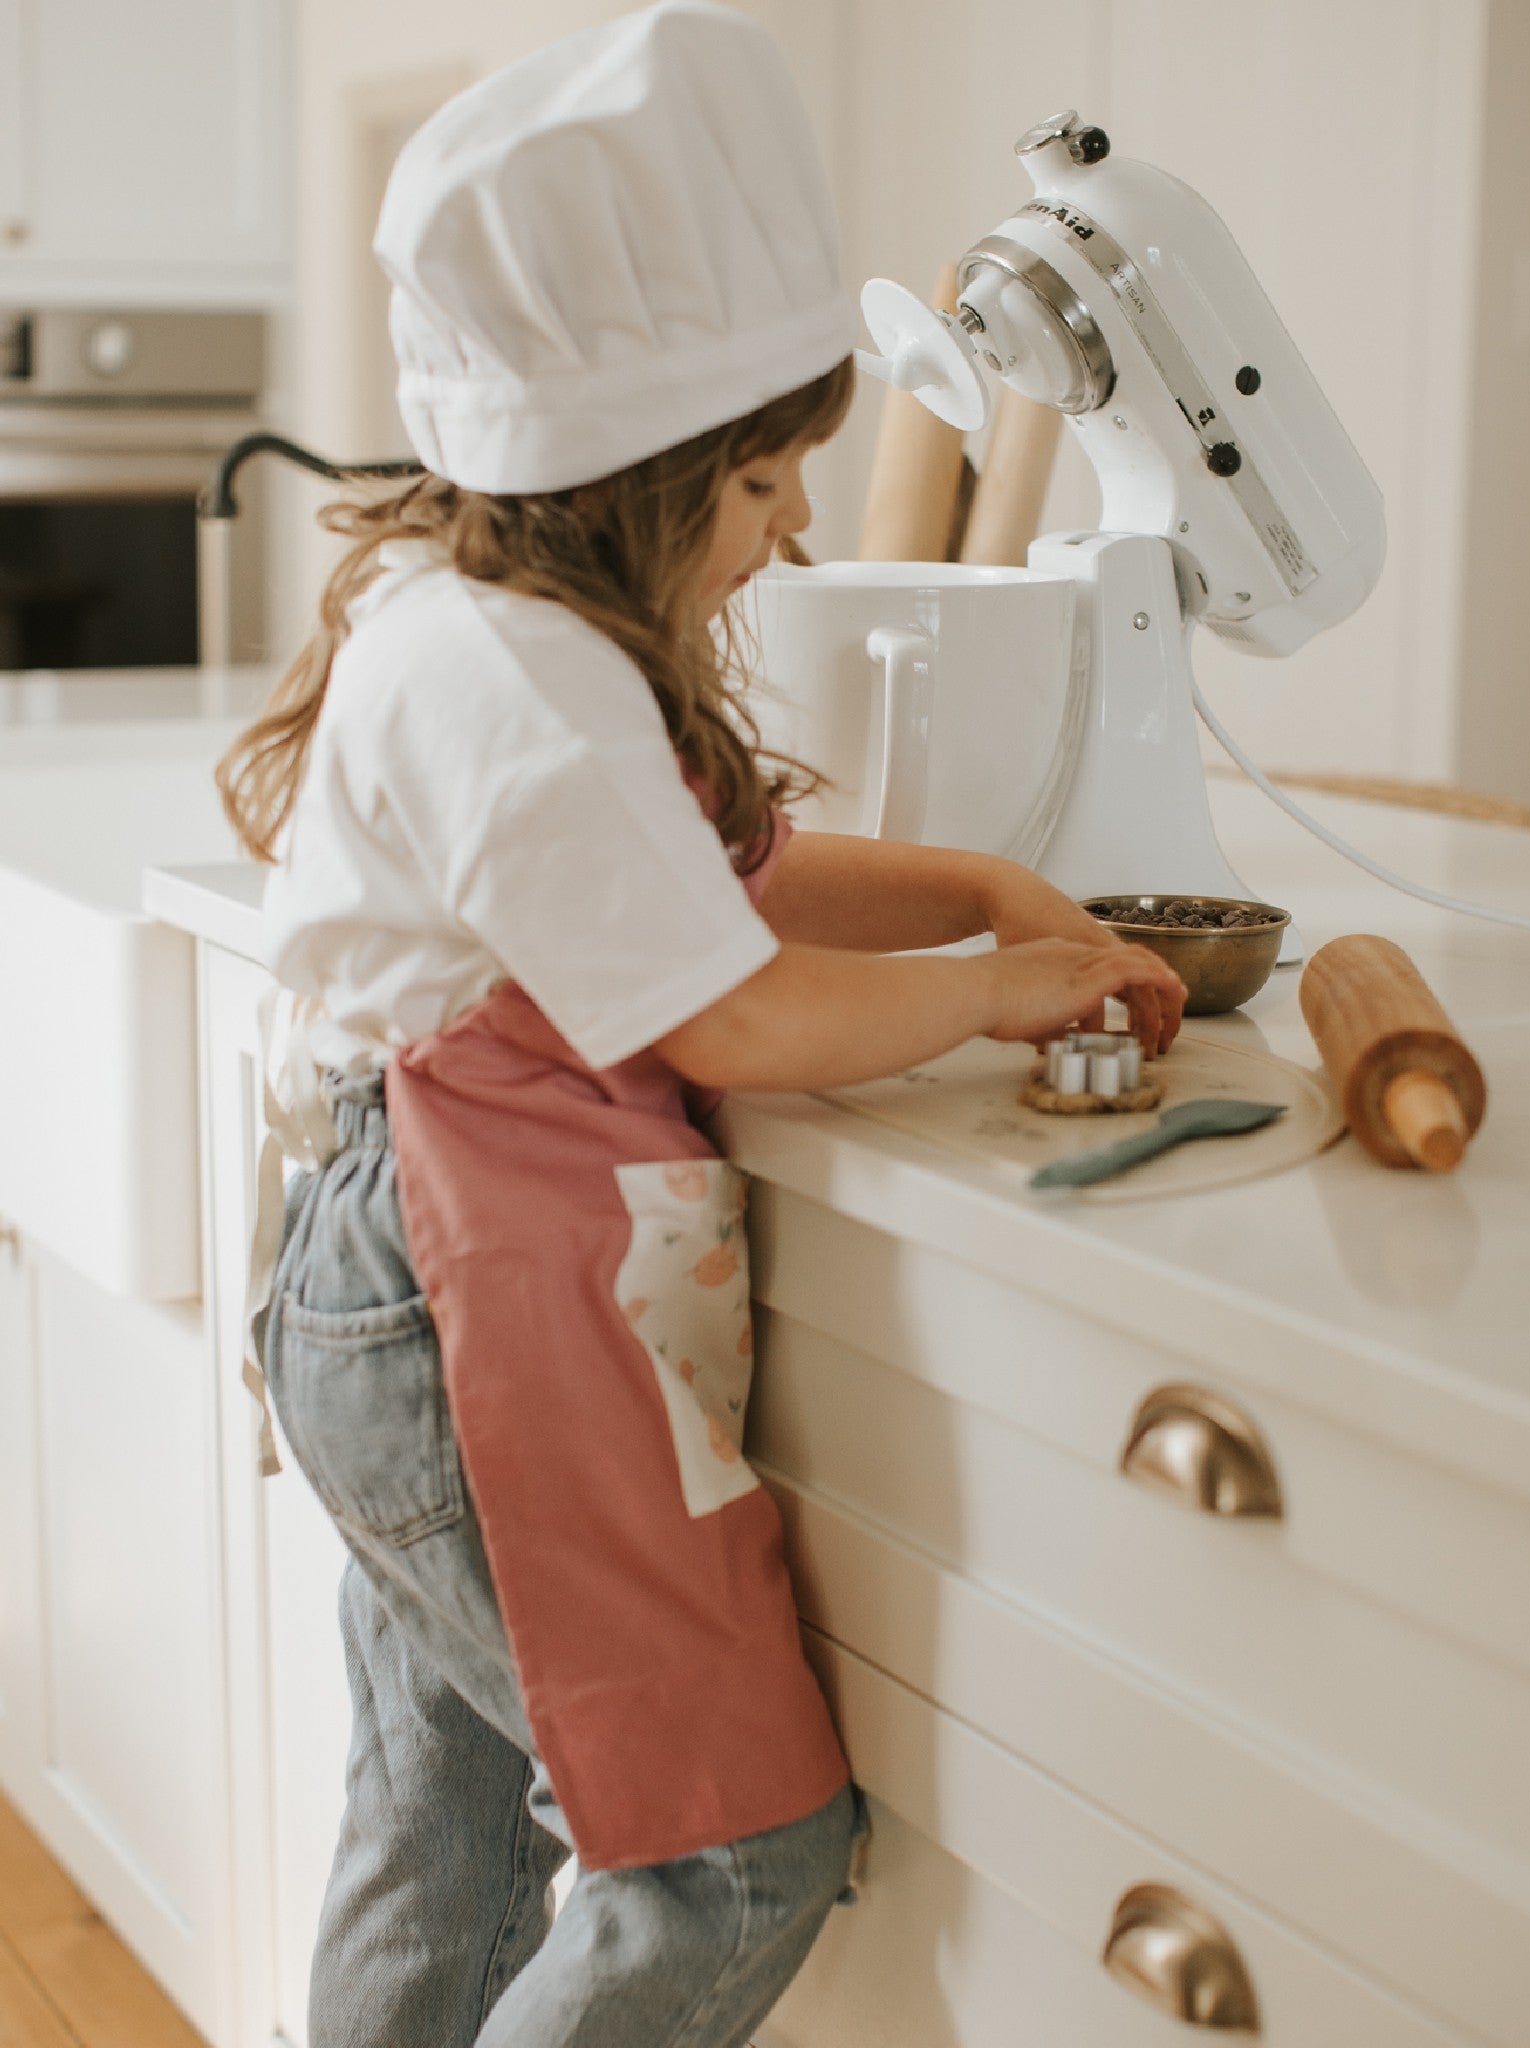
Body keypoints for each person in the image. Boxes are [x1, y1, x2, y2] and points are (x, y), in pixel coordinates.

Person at [217, 5, 1186, 2045]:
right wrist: (989, 990)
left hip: (368, 1290)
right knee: (729, 1852)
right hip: (444, 1301)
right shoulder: (522, 685)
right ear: (637, 481)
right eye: (762, 484)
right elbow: (737, 1006)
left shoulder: (476, 624)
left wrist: (973, 891)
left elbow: (699, 890)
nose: (792, 536)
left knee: (444, 1802)